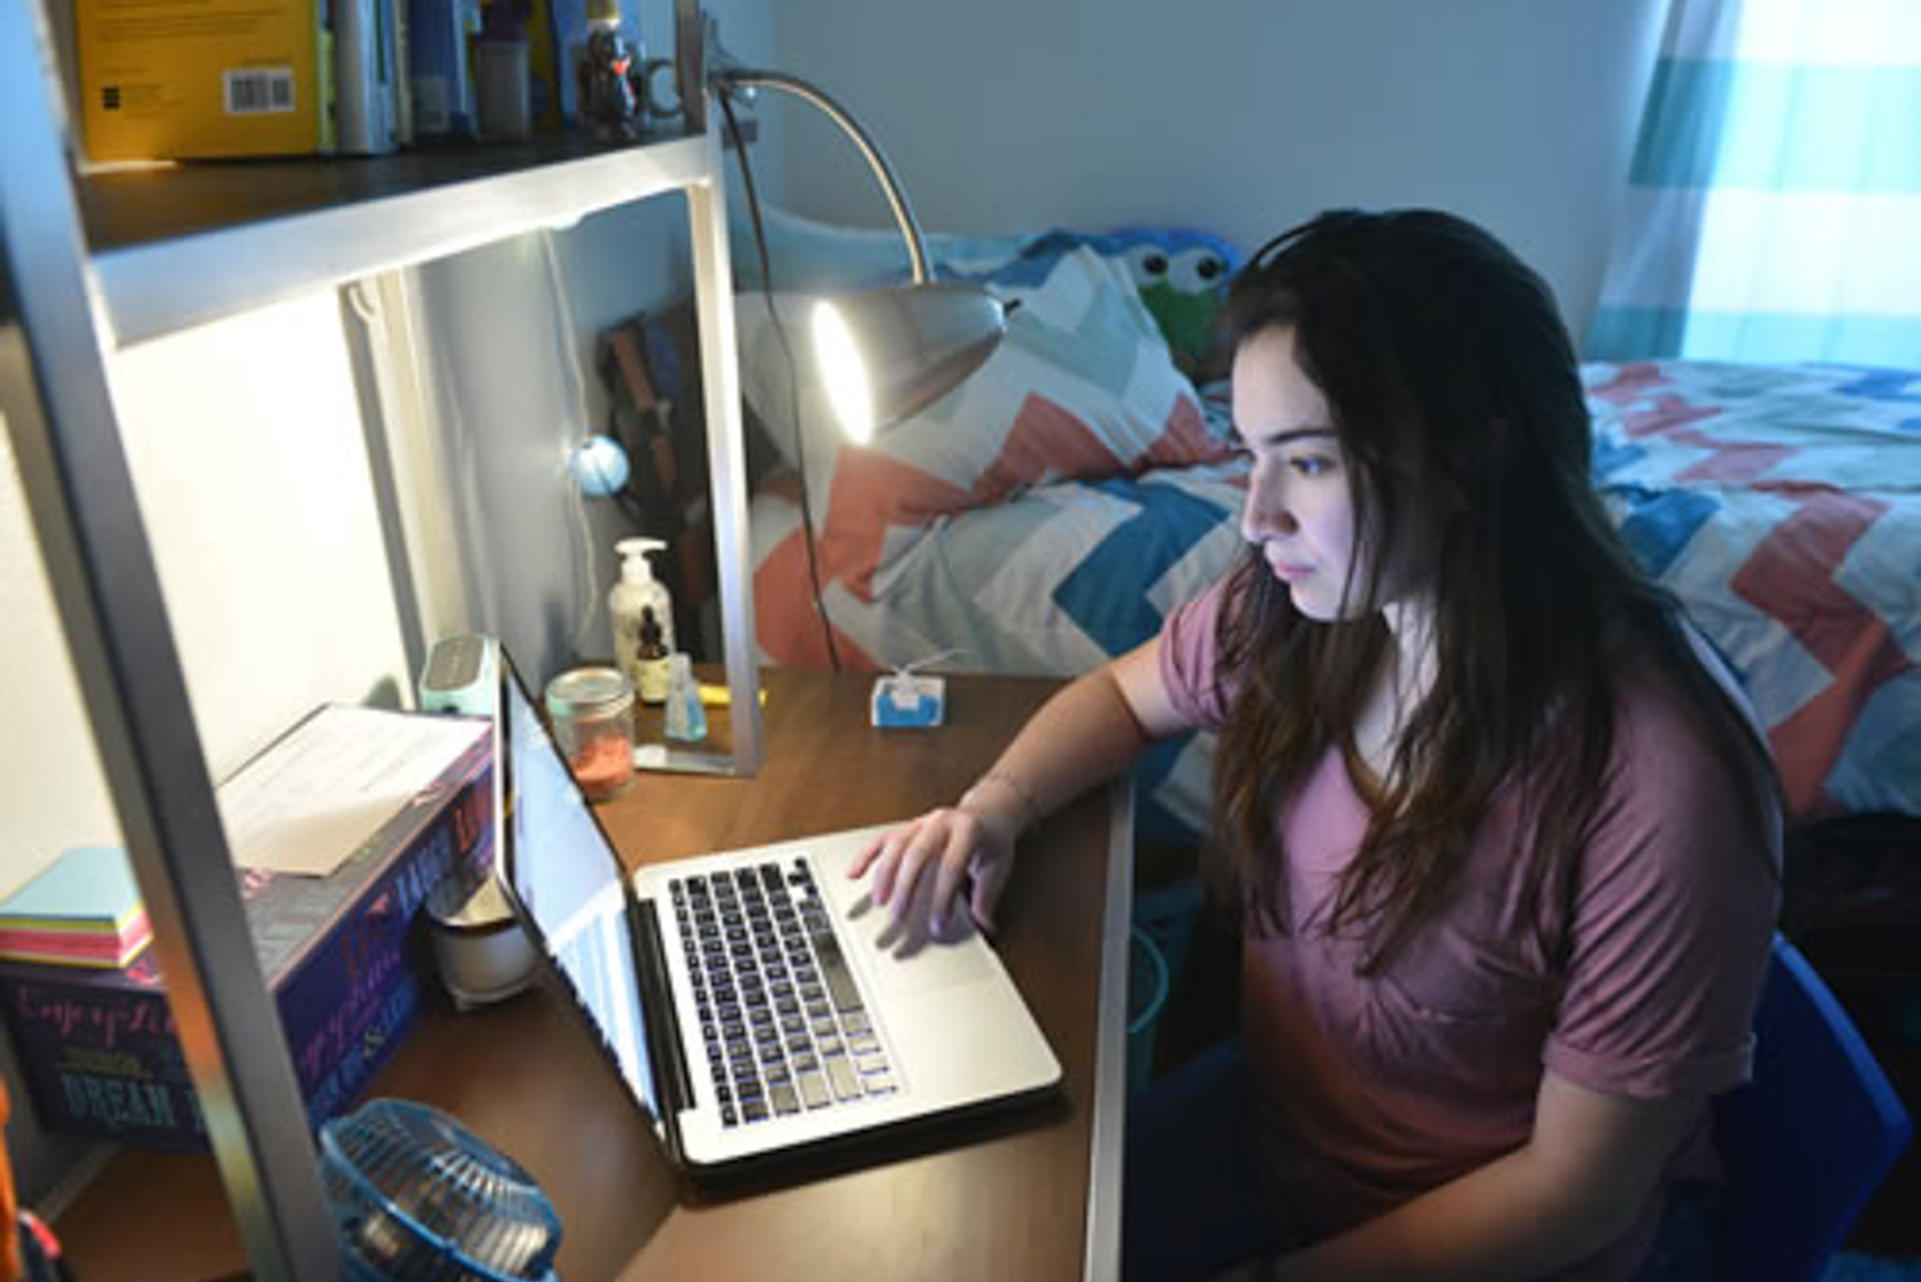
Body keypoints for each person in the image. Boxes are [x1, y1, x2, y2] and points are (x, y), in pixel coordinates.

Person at [848, 208, 1782, 1282]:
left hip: (1504, 1246)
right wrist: (993, 807)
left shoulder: (1664, 778)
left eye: (1308, 462)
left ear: (1471, 458)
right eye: (1253, 457)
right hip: (1286, 1136)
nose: (1256, 517)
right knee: (981, 1235)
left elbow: (1572, 1196)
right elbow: (1121, 698)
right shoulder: (1313, 610)